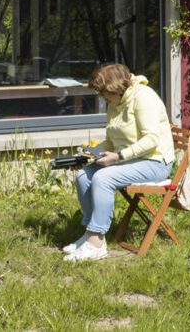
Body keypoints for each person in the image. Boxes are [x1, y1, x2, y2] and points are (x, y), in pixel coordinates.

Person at [63, 63, 175, 262]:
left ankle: (97, 243)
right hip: (130, 158)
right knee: (83, 176)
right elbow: (112, 140)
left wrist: (117, 157)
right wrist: (93, 152)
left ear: (114, 88)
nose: (101, 97)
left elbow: (151, 141)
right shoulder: (115, 103)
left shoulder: (143, 97)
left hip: (155, 162)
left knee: (103, 178)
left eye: (103, 92)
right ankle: (90, 234)